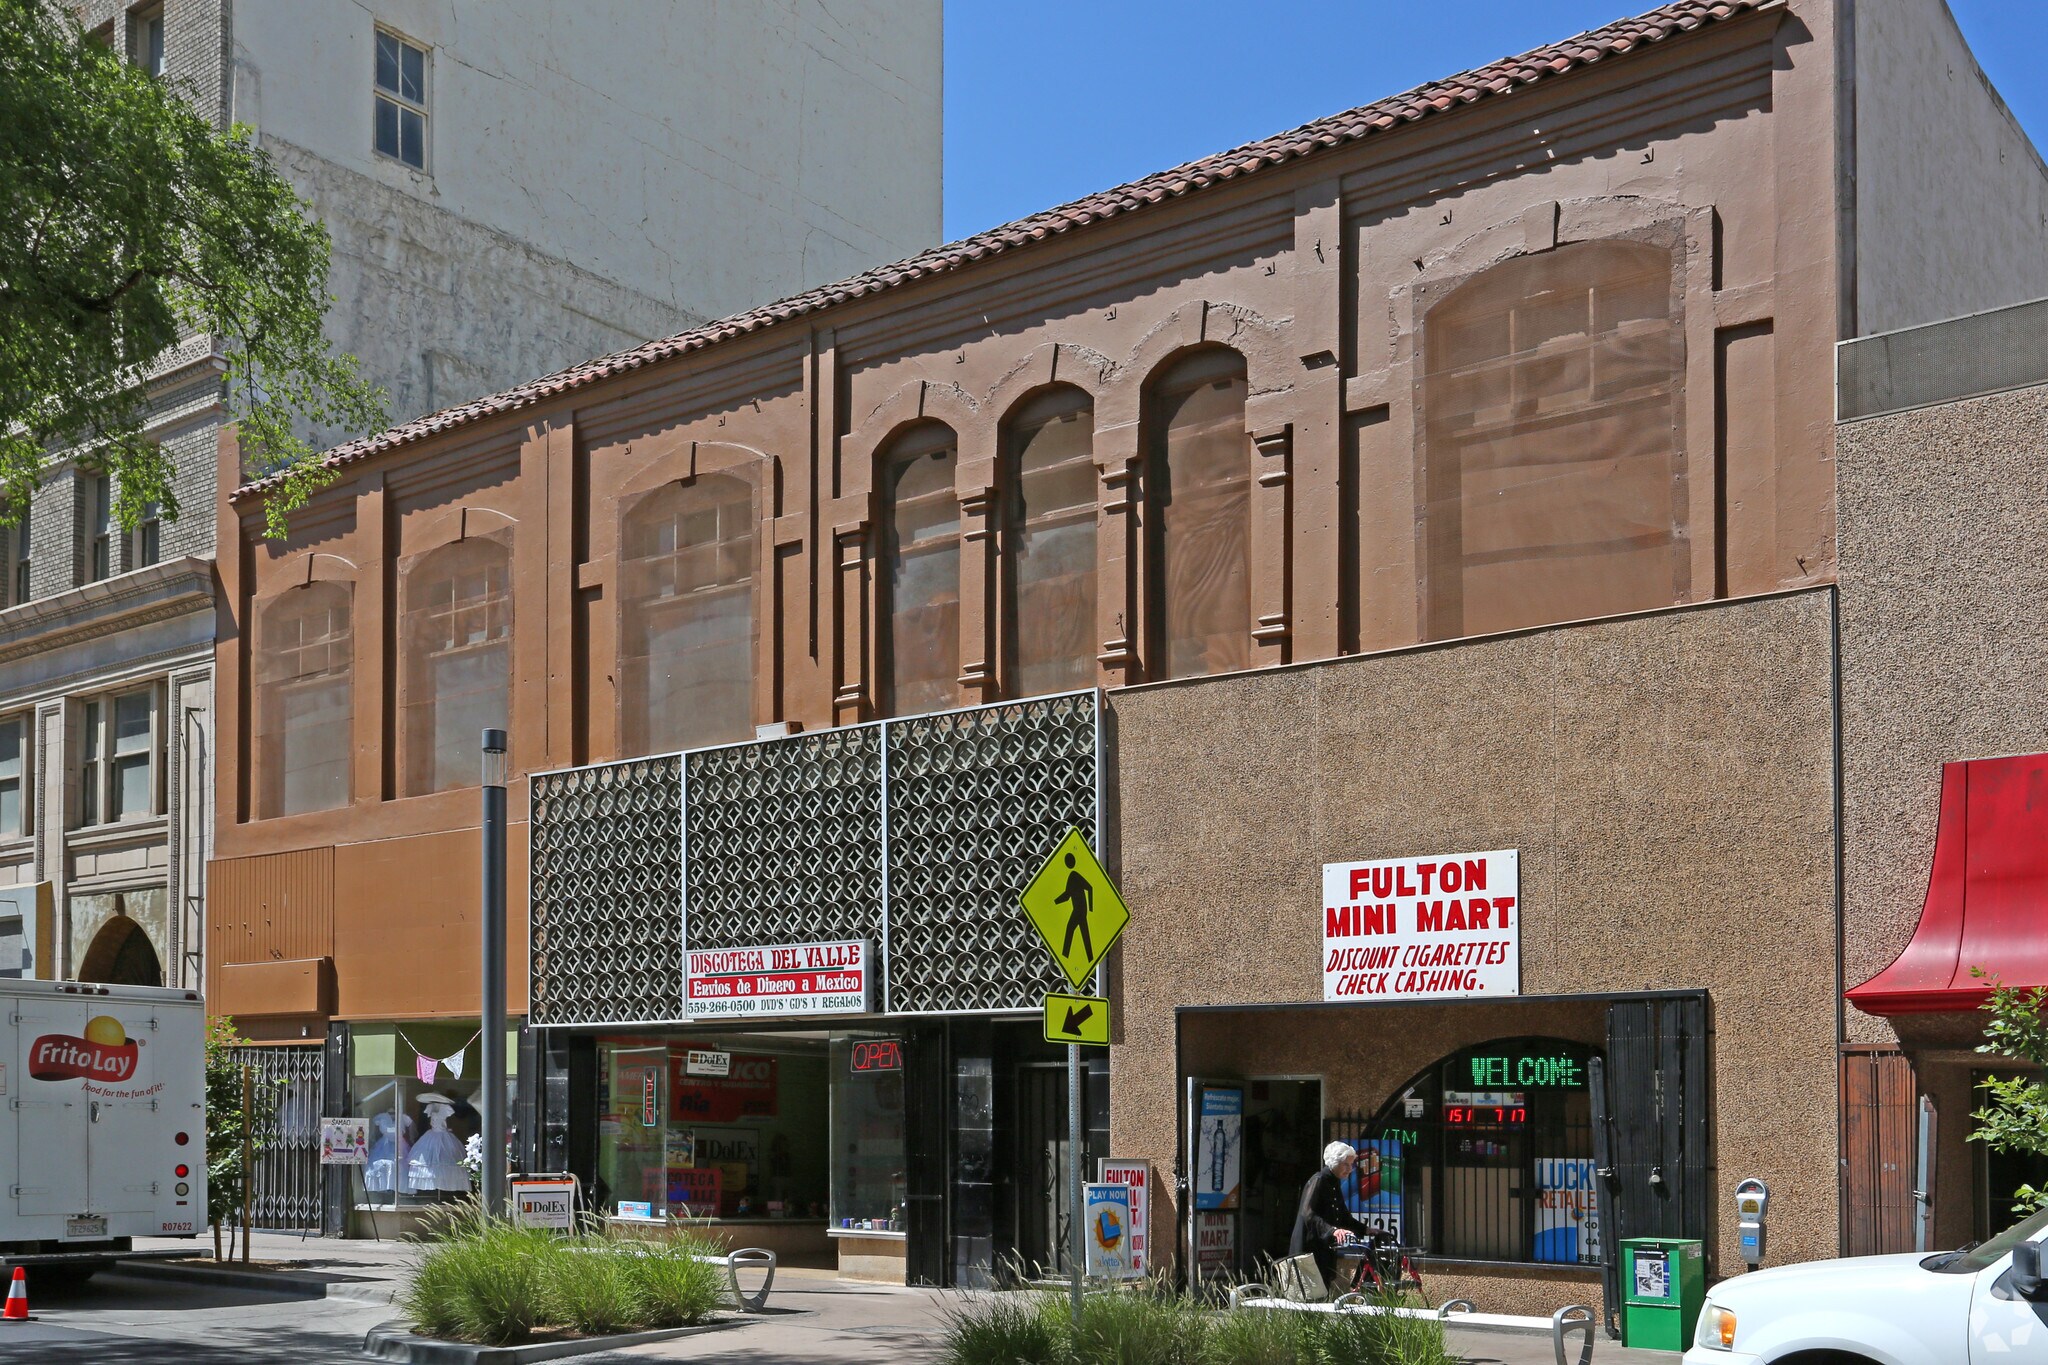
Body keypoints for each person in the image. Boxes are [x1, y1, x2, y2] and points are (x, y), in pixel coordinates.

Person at [1289, 1141, 1376, 1293]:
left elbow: (1343, 1217)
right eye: (1346, 1165)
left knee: (1323, 1293)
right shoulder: (1319, 1180)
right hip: (1309, 1251)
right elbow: (1307, 1213)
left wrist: (1366, 1230)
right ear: (1334, 1162)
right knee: (1310, 1298)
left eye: (1351, 1165)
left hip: (1323, 1252)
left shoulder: (1334, 1183)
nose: (1350, 1169)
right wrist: (1333, 1231)